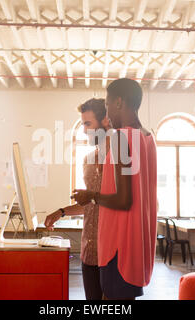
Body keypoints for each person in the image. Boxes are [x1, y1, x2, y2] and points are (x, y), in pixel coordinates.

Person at [72, 78, 157, 300]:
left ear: (119, 102)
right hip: (136, 245)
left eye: (108, 104)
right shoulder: (148, 137)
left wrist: (90, 195)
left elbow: (123, 200)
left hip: (118, 246)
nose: (107, 111)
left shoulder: (121, 137)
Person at [44, 98, 110, 300]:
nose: (83, 130)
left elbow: (123, 201)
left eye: (88, 124)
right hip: (89, 251)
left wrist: (92, 196)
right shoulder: (87, 160)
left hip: (112, 255)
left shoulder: (122, 158)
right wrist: (61, 212)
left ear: (105, 121)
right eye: (82, 124)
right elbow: (89, 204)